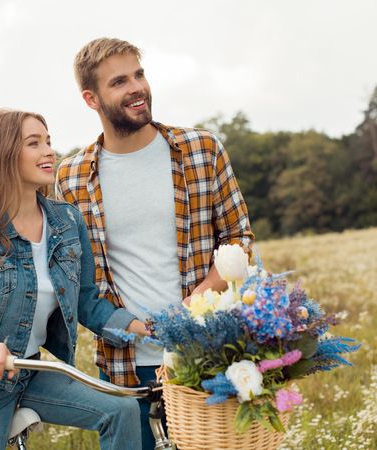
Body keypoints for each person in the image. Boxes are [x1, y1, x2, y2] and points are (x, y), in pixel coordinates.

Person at [56, 37, 254, 449]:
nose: (137, 88)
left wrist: (195, 304)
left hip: (209, 354)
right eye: (120, 82)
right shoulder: (70, 178)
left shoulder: (202, 150)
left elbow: (239, 239)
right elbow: (72, 280)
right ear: (91, 98)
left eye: (139, 75)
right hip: (125, 365)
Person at [0, 108, 149, 450]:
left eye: (48, 141)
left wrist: (146, 328)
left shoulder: (66, 221)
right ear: (4, 154)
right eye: (34, 143)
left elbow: (86, 302)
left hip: (33, 374)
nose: (49, 151)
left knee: (121, 410)